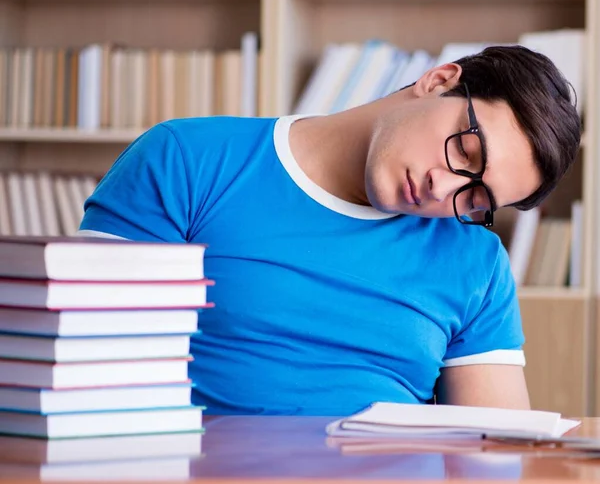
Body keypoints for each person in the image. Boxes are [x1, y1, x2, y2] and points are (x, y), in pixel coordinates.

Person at [78, 45, 581, 415]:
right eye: (465, 153)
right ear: (439, 81)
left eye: (474, 198)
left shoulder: (476, 263)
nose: (442, 187)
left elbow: (490, 455)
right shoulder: (187, 160)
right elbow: (87, 373)